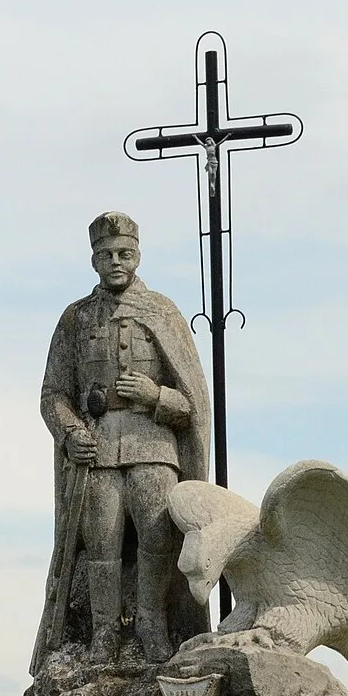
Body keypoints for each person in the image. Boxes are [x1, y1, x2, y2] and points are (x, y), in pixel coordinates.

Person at [35, 212, 211, 666]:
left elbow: (192, 401)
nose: (116, 261)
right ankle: (105, 633)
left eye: (124, 254)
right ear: (93, 260)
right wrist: (71, 432)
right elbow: (53, 393)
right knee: (102, 541)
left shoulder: (163, 311)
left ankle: (153, 622)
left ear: (138, 256)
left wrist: (154, 395)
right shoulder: (76, 318)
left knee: (158, 532)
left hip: (153, 444)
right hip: (96, 446)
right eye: (106, 254)